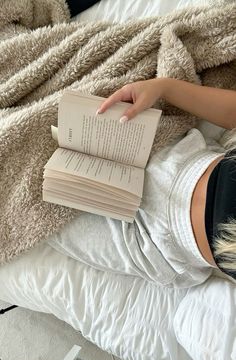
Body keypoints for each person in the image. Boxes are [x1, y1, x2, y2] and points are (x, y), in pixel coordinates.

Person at [48, 78, 236, 286]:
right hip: (180, 155)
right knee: (53, 125)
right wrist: (164, 87)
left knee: (38, 211)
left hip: (157, 248)